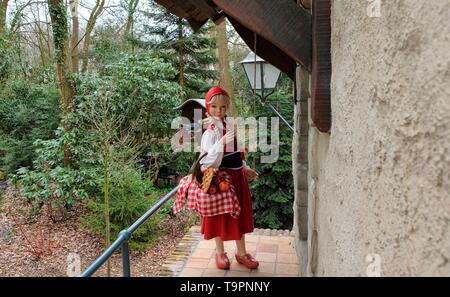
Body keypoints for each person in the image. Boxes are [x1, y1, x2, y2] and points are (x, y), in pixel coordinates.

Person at [199, 86, 259, 270]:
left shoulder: (230, 126)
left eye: (223, 107)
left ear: (227, 108)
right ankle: (220, 253)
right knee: (219, 215)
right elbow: (207, 160)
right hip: (221, 179)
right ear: (208, 107)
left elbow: (238, 152)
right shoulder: (209, 131)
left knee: (238, 215)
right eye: (214, 106)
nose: (219, 111)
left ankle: (241, 253)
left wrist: (245, 167)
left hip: (236, 177)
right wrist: (220, 143)